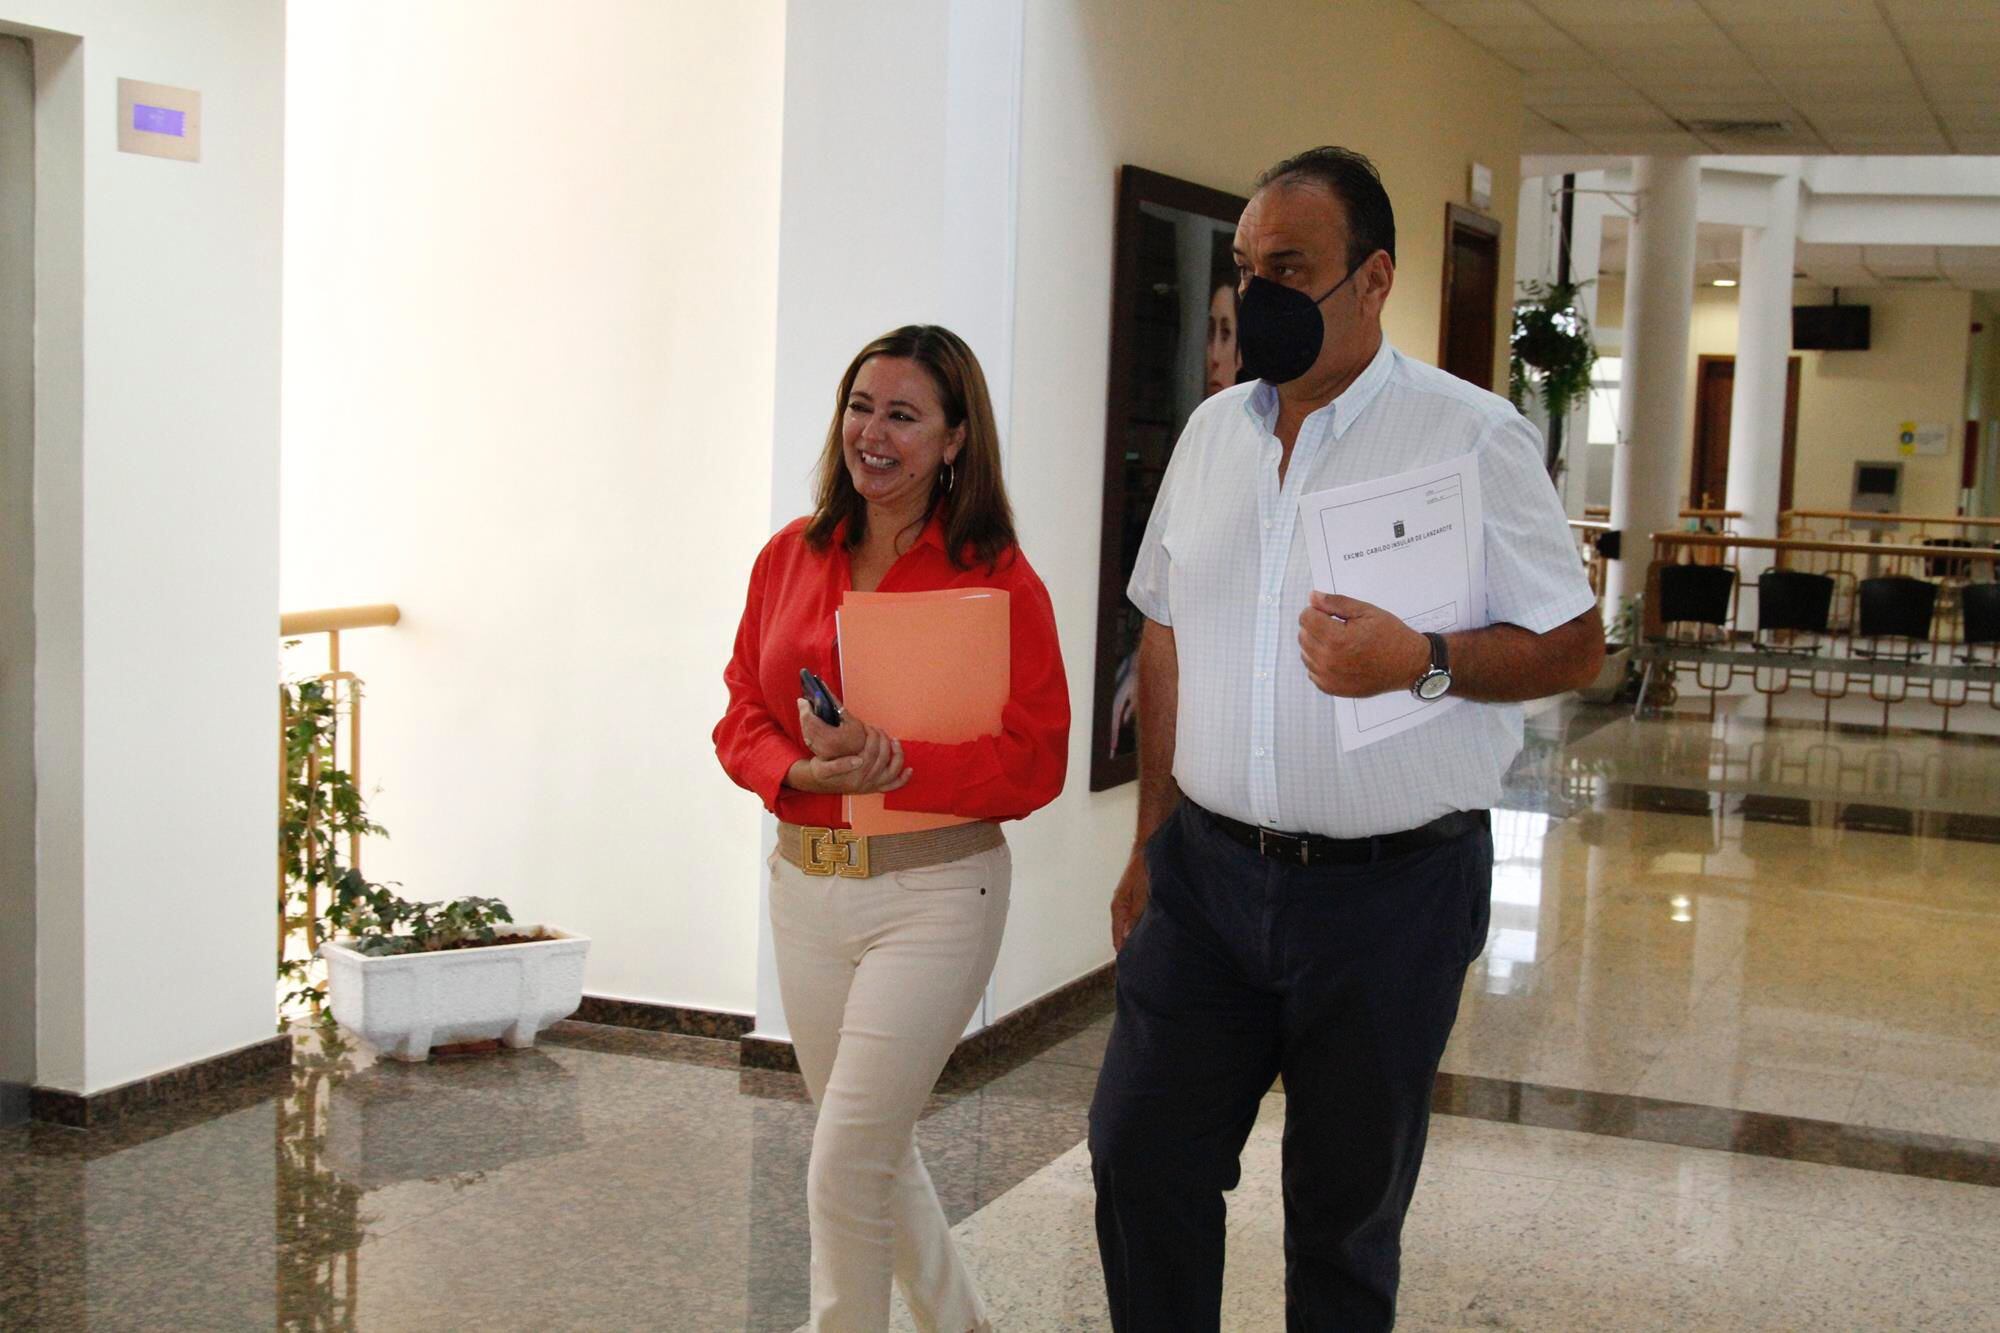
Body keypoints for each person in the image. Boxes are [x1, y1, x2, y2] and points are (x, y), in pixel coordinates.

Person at [1088, 147, 1604, 1331]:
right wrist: (1148, 844)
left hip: (1390, 896)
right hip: (1207, 882)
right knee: (1138, 1157)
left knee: (1340, 1219)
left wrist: (1421, 658)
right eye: (1242, 267)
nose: (1254, 292)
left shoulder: (1468, 438)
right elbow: (1162, 635)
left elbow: (1572, 646)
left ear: (1372, 279)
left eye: (1288, 268)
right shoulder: (1215, 433)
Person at [714, 324, 1069, 1332]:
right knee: (866, 1147)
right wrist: (794, 768)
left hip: (935, 893)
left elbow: (1035, 757)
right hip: (804, 887)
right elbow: (739, 706)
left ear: (954, 439)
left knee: (843, 1163)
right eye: (860, 406)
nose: (873, 432)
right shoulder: (790, 554)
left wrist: (898, 760)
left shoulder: (997, 578)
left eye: (903, 415)